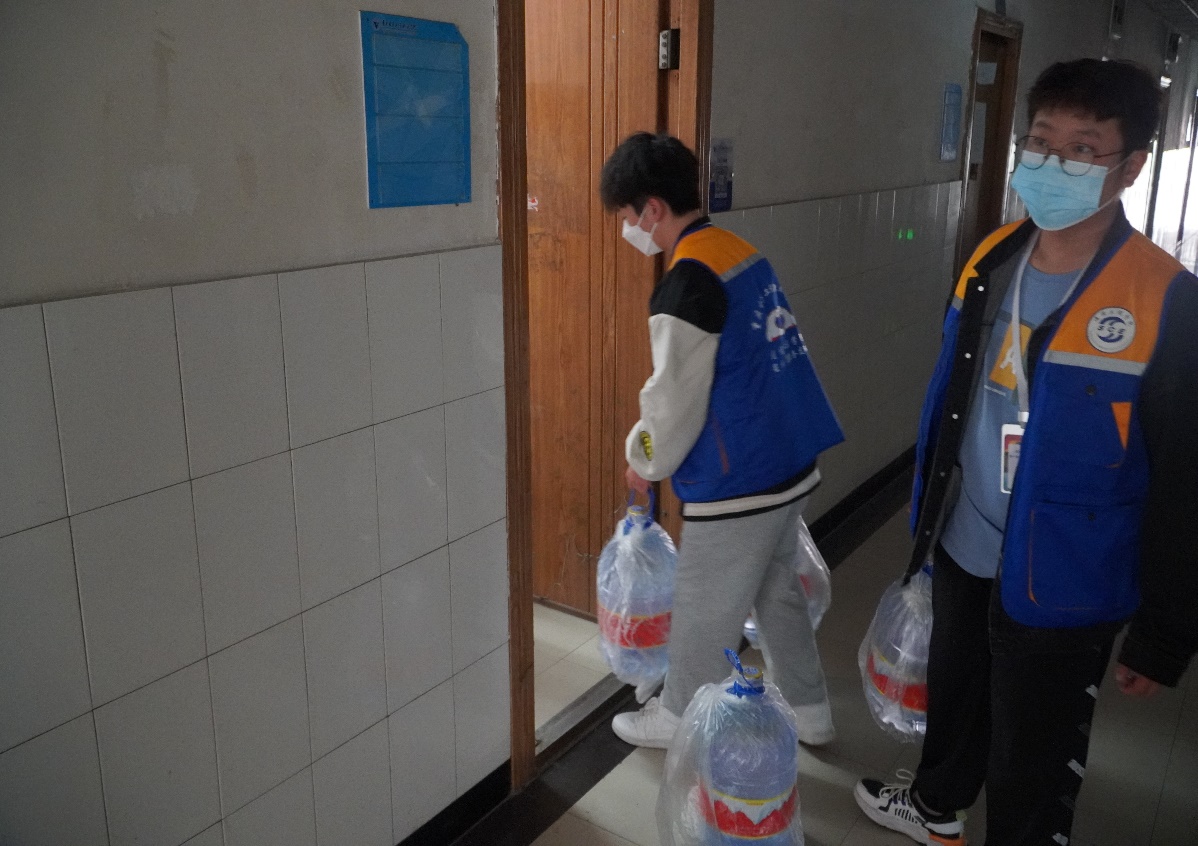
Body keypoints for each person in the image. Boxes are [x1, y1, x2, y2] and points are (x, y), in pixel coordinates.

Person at [854, 59, 1198, 845]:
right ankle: (936, 807)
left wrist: (1165, 631)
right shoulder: (992, 258)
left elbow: (1186, 480)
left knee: (1031, 758)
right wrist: (926, 529)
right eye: (1041, 142)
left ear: (1130, 167)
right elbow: (956, 402)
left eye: (1082, 148)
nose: (1053, 163)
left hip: (1068, 572)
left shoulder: (1166, 299)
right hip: (964, 542)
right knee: (957, 697)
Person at [597, 131, 845, 748]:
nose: (629, 230)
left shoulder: (687, 282)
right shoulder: (737, 250)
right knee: (776, 589)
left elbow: (672, 401)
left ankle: (676, 715)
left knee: (705, 603)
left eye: (627, 217)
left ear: (653, 208)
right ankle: (810, 710)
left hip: (741, 477)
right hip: (788, 457)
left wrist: (642, 460)